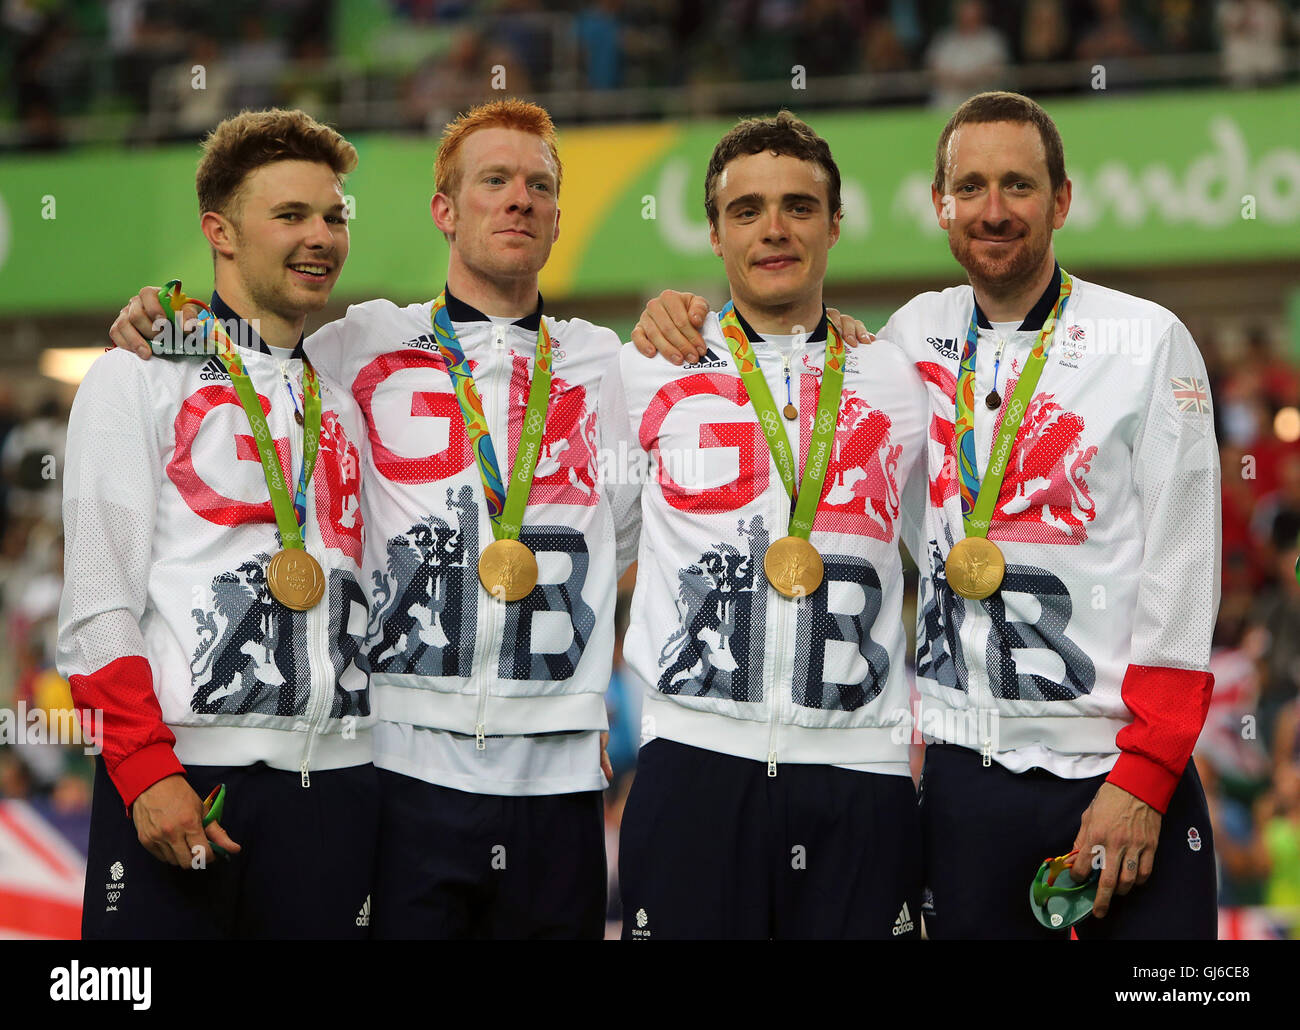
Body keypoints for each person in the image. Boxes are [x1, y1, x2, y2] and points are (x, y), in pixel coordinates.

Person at [634, 92, 1222, 939]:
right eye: (970, 187)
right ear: (940, 207)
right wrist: (683, 315)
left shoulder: (1147, 341)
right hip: (960, 782)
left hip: (1118, 775)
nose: (994, 210)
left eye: (1019, 186)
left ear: (1061, 201)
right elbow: (806, 370)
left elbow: (1186, 564)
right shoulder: (906, 341)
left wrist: (1148, 771)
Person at [109, 99, 640, 939]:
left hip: (557, 777)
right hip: (394, 768)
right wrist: (159, 324)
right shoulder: (354, 344)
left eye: (539, 185)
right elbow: (246, 348)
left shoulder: (616, 365)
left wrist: (573, 695)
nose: (519, 200)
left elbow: (642, 533)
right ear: (443, 209)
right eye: (494, 180)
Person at [59, 108, 376, 939]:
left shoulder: (339, 396)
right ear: (220, 232)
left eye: (334, 217)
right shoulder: (135, 378)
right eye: (291, 215)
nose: (321, 237)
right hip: (186, 777)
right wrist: (142, 767)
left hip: (335, 785)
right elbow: (97, 602)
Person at [617, 111, 929, 939]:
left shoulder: (901, 374)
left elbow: (952, 546)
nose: (775, 229)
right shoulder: (645, 366)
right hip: (694, 764)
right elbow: (594, 543)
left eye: (799, 205)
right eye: (747, 210)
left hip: (861, 766)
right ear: (715, 234)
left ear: (835, 224)